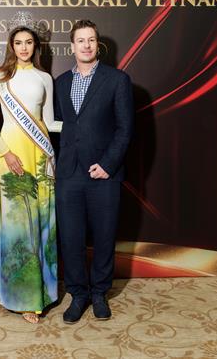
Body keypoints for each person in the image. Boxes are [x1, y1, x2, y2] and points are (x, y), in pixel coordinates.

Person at [0, 15, 62, 324]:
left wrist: (81, 126)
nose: (24, 47)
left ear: (35, 45)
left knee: (42, 221)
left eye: (29, 42)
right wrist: (6, 153)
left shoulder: (44, 78)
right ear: (11, 45)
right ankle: (21, 296)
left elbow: (50, 122)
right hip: (11, 155)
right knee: (17, 225)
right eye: (18, 43)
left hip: (40, 155)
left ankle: (43, 292)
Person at [54, 19, 134, 323]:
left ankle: (100, 293)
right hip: (69, 173)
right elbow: (58, 127)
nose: (86, 45)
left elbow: (125, 129)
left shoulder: (117, 80)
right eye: (80, 40)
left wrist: (108, 165)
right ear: (72, 46)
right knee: (71, 238)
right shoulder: (61, 82)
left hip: (103, 174)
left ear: (97, 45)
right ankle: (78, 294)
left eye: (91, 40)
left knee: (104, 236)